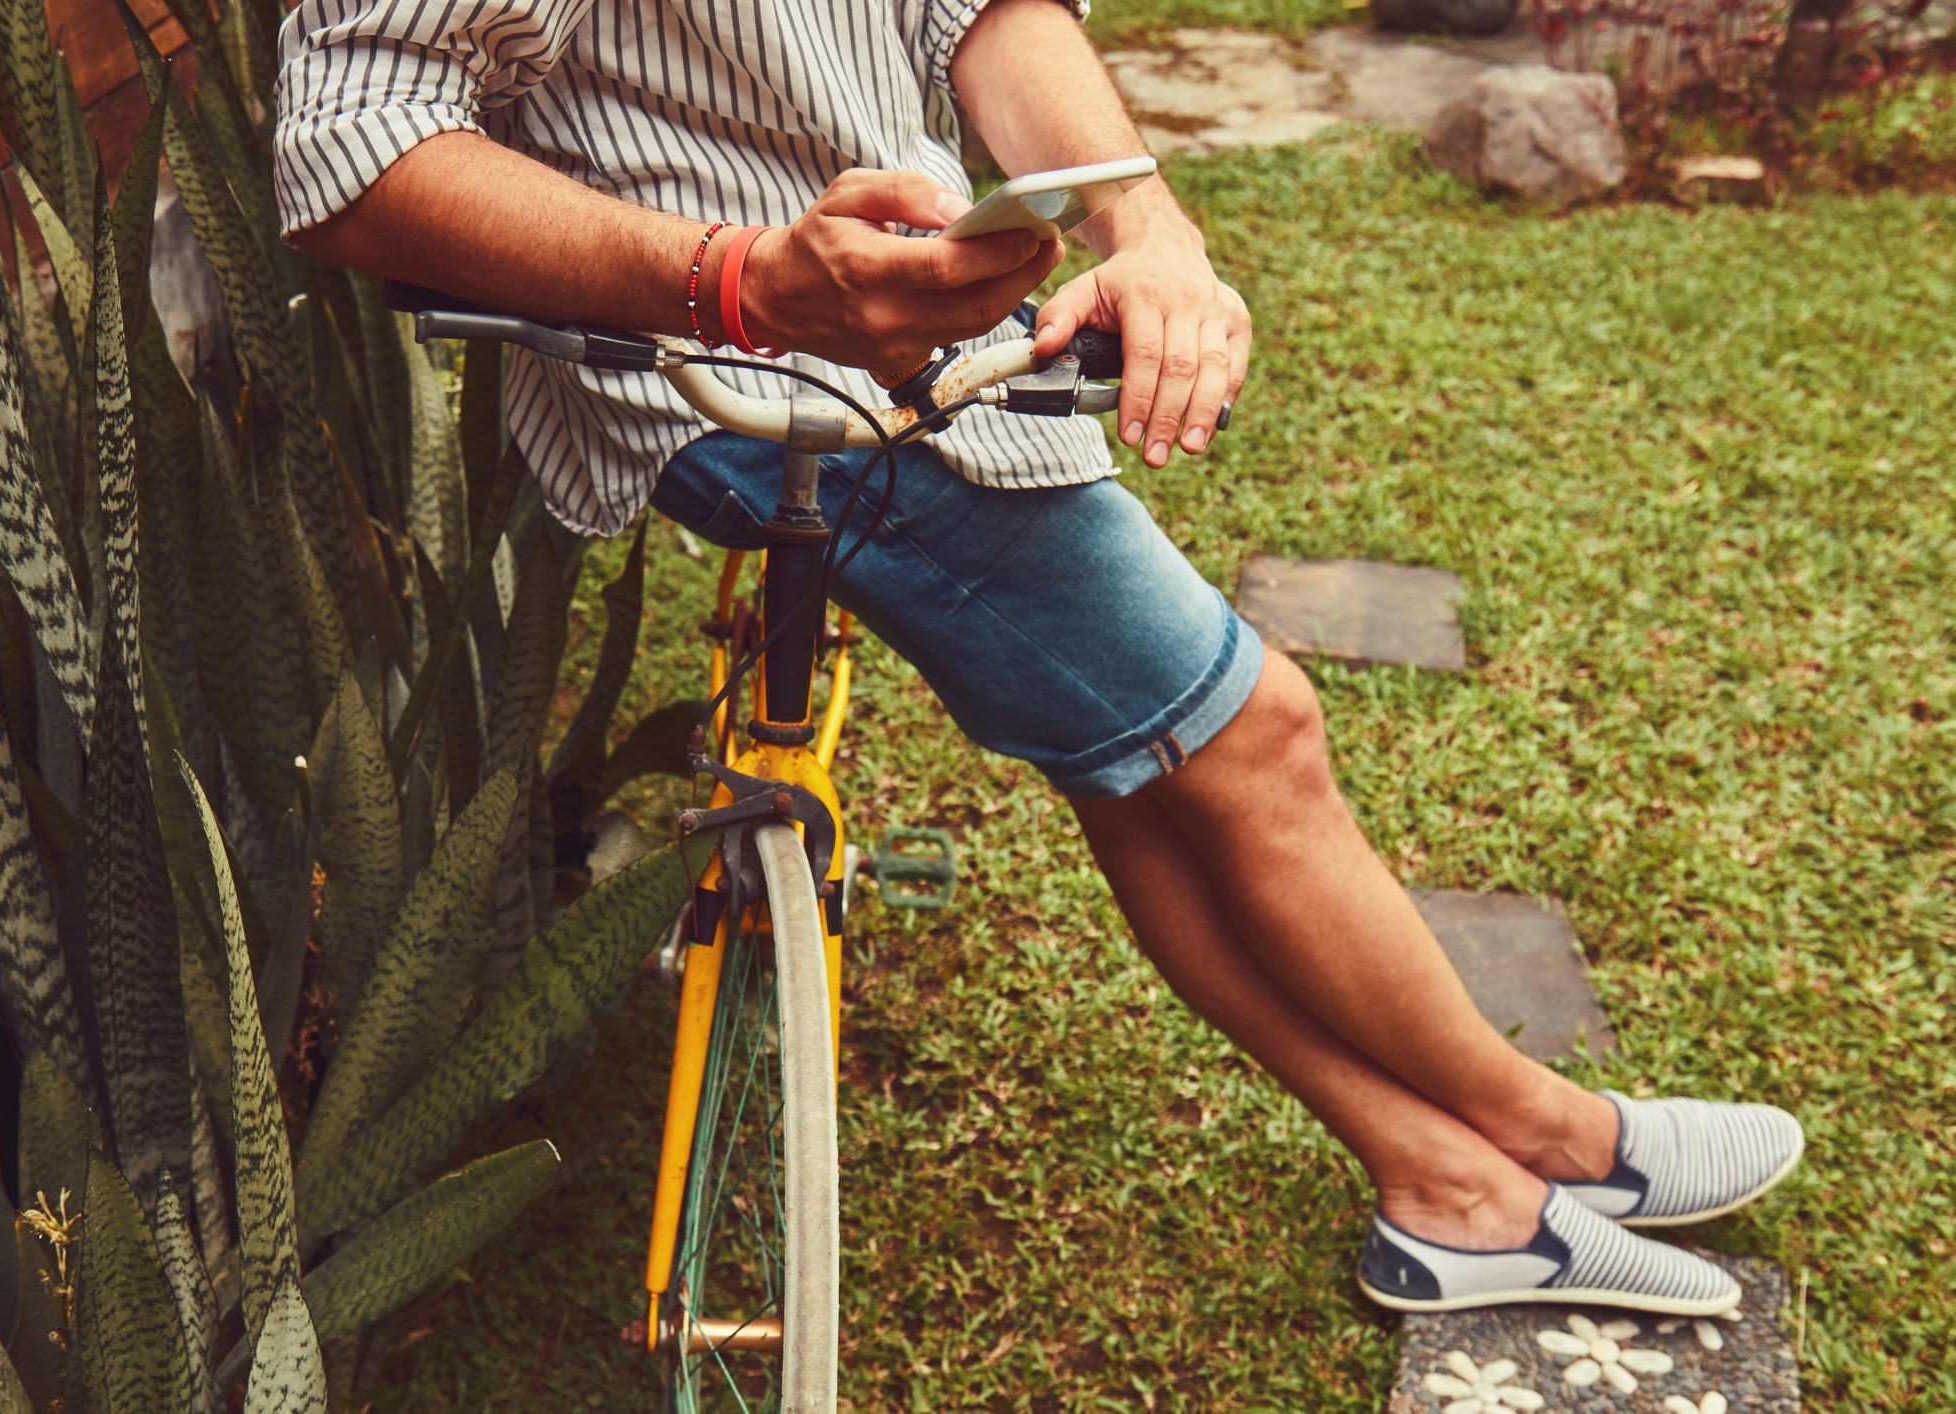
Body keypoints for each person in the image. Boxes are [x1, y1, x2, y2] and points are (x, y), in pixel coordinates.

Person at [273, 0, 1800, 1316]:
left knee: (1143, 768)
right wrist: (742, 281)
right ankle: (1545, 1137)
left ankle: (1445, 1175)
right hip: (750, 377)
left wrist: (1151, 227)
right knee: (1252, 730)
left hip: (932, 335)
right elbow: (347, 137)